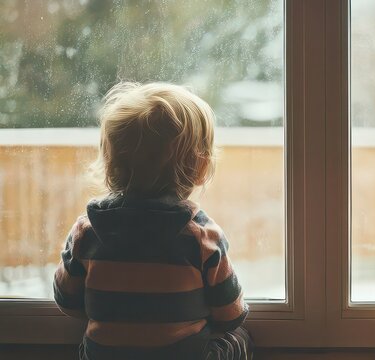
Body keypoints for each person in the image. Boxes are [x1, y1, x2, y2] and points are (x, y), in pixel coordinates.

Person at [53, 82, 252, 360]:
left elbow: (68, 302)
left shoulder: (86, 231)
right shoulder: (200, 234)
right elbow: (230, 314)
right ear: (201, 167)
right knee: (239, 337)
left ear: (110, 162)